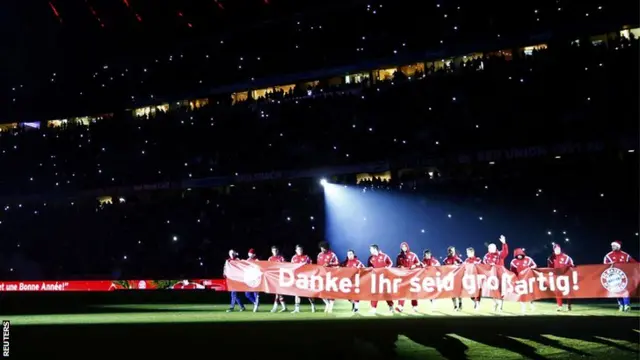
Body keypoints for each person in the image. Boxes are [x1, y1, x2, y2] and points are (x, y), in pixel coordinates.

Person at [603, 240, 636, 311]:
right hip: (614, 277)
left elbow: (634, 263)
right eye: (612, 246)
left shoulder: (626, 255)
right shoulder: (608, 256)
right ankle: (621, 305)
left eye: (614, 246)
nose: (612, 247)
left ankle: (627, 305)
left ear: (618, 246)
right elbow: (604, 266)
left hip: (624, 277)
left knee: (625, 291)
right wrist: (610, 264)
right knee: (617, 291)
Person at [483, 235, 509, 312]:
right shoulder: (486, 256)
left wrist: (504, 243)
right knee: (493, 291)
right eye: (489, 248)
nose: (490, 249)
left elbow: (505, 252)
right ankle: (494, 304)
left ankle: (500, 306)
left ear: (495, 248)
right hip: (491, 277)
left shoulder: (500, 254)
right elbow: (484, 265)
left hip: (500, 276)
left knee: (501, 291)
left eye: (492, 248)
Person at [368, 244, 394, 314]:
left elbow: (391, 263)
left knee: (386, 294)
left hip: (384, 278)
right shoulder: (371, 258)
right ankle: (373, 308)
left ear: (375, 249)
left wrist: (387, 268)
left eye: (370, 249)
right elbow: (370, 267)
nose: (370, 250)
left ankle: (391, 307)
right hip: (376, 278)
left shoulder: (384, 256)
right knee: (374, 293)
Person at [547, 243, 574, 311]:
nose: (557, 250)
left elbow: (572, 265)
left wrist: (568, 267)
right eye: (555, 249)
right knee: (557, 292)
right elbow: (549, 267)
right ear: (553, 249)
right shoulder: (551, 258)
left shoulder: (566, 257)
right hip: (556, 277)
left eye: (558, 248)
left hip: (565, 276)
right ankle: (560, 306)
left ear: (560, 249)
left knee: (567, 292)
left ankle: (569, 305)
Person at [509, 248, 537, 313]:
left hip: (528, 279)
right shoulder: (513, 262)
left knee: (530, 293)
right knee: (522, 294)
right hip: (520, 280)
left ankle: (532, 305)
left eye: (520, 254)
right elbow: (512, 271)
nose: (519, 256)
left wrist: (532, 267)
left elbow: (535, 265)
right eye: (517, 255)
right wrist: (514, 279)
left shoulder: (528, 259)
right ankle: (523, 307)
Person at [395, 242, 421, 312]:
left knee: (413, 291)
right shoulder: (399, 256)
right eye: (402, 247)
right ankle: (400, 306)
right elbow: (397, 265)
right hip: (403, 277)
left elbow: (419, 263)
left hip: (412, 276)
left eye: (405, 246)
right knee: (402, 292)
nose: (404, 248)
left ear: (407, 247)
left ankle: (415, 306)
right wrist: (401, 266)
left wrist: (414, 265)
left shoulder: (413, 255)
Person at [291, 245, 316, 313]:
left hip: (305, 278)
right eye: (298, 250)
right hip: (297, 278)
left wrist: (306, 266)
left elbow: (311, 266)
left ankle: (313, 306)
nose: (300, 251)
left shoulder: (306, 257)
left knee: (308, 293)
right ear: (296, 250)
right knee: (297, 293)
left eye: (301, 249)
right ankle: (297, 309)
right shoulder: (294, 258)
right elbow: (291, 267)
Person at [317, 241, 339, 313]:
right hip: (321, 276)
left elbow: (337, 263)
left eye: (323, 248)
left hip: (330, 275)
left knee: (330, 291)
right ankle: (327, 304)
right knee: (320, 291)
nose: (322, 250)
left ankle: (331, 308)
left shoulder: (332, 254)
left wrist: (329, 264)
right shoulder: (319, 255)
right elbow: (318, 265)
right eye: (321, 248)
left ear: (326, 248)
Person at [443, 246, 463, 311]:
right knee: (452, 293)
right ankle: (455, 306)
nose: (451, 252)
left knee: (459, 292)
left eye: (452, 250)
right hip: (450, 279)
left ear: (454, 251)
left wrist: (458, 265)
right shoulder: (445, 260)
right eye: (450, 251)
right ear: (448, 251)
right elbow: (443, 269)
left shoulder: (458, 259)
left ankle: (460, 303)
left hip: (457, 278)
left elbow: (463, 267)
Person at [268, 246, 287, 313]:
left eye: (276, 250)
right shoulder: (270, 258)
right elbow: (268, 268)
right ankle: (284, 307)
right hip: (273, 277)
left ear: (278, 251)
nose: (275, 252)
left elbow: (286, 266)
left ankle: (275, 307)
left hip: (280, 277)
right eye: (273, 250)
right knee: (279, 293)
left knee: (278, 292)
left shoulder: (281, 258)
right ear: (272, 251)